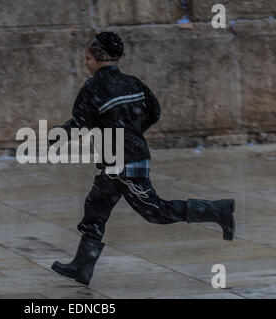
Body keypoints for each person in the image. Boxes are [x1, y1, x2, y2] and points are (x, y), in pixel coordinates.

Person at [49, 32, 235, 286]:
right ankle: (82, 266)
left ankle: (217, 210)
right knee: (96, 206)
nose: (86, 63)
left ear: (97, 58)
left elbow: (80, 123)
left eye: (87, 58)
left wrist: (57, 136)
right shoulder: (133, 83)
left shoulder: (93, 88)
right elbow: (154, 112)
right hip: (126, 159)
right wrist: (132, 131)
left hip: (123, 164)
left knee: (155, 211)